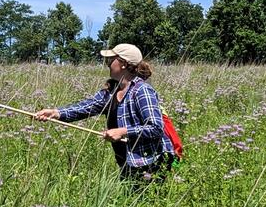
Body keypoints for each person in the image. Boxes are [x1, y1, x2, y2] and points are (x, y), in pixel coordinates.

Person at [35, 43, 175, 180]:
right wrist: (55, 112)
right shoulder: (111, 92)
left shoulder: (142, 90)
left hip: (152, 162)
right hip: (128, 160)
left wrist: (123, 131)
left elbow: (156, 127)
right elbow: (85, 107)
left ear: (123, 64)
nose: (107, 63)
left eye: (111, 59)